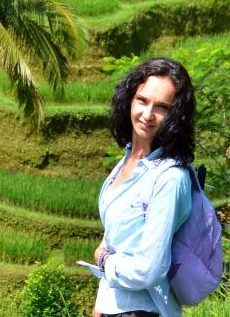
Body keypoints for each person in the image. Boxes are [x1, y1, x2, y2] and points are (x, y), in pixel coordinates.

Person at [91, 58, 195, 317]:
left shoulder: (169, 178)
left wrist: (105, 262)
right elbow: (117, 239)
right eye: (142, 101)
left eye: (161, 107)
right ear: (129, 100)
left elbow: (151, 270)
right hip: (113, 308)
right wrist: (99, 306)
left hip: (145, 311)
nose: (148, 115)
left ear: (175, 116)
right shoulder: (128, 160)